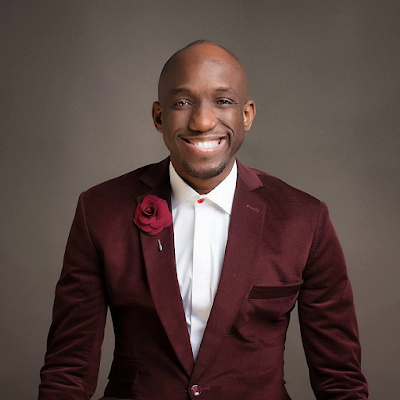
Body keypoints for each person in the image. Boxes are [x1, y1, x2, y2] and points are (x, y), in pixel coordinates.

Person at [39, 40, 368, 400]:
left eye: (223, 101)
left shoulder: (304, 219)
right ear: (159, 117)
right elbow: (67, 370)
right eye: (182, 103)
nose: (203, 121)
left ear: (247, 115)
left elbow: (341, 382)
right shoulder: (100, 211)